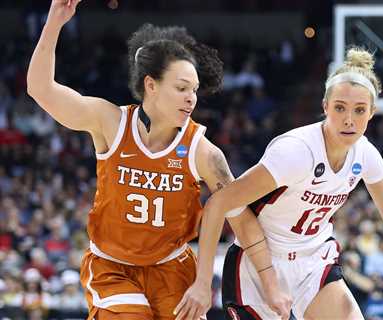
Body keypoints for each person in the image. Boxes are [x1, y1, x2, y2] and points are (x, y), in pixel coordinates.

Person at [27, 1, 292, 319]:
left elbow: (242, 221)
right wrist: (54, 22)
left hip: (172, 269)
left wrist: (271, 284)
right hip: (113, 267)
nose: (191, 98)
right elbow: (40, 89)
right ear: (151, 85)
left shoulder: (203, 152)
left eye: (194, 90)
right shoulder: (109, 122)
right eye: (181, 88)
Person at [176, 47, 383, 319]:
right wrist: (202, 283)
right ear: (325, 106)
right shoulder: (296, 152)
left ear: (372, 112)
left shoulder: (366, 154)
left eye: (359, 110)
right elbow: (218, 203)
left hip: (314, 261)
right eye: (340, 107)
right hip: (260, 262)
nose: (349, 119)